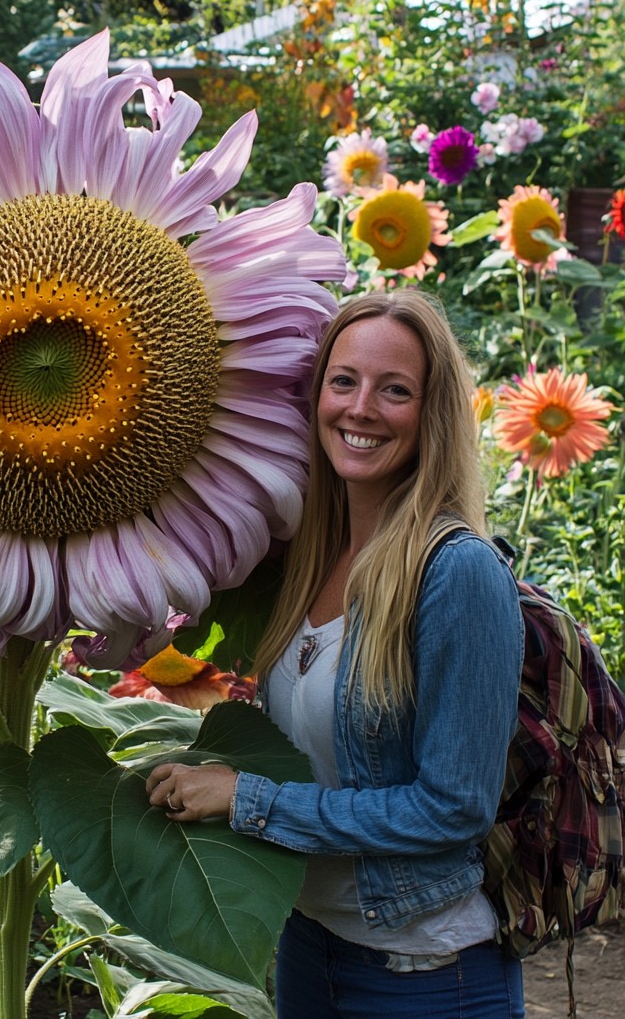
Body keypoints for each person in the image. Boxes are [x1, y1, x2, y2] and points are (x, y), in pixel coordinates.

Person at [145, 289, 526, 1019]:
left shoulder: (457, 573)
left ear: (432, 414)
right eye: (343, 381)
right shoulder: (308, 560)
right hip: (308, 951)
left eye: (395, 391)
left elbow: (454, 809)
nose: (360, 409)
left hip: (423, 973)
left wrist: (248, 799)